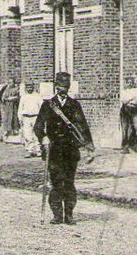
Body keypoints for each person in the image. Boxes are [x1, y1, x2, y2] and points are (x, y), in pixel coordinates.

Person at [33, 72, 93, 224]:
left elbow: (82, 126)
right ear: (56, 86)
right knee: (56, 182)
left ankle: (69, 214)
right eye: (60, 86)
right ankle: (57, 215)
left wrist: (89, 147)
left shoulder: (74, 105)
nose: (63, 89)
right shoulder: (48, 105)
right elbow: (38, 126)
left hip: (70, 150)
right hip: (53, 150)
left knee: (69, 182)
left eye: (66, 86)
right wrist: (43, 137)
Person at [19, 80, 45, 156]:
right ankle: (30, 150)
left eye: (30, 87)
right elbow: (20, 108)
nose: (29, 88)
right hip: (26, 117)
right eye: (27, 87)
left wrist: (41, 118)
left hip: (35, 116)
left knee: (36, 134)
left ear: (33, 87)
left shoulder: (37, 96)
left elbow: (42, 107)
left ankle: (38, 150)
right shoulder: (23, 97)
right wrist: (20, 118)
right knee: (27, 135)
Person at [119, 80, 137, 152]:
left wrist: (129, 101)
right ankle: (124, 147)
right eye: (128, 82)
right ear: (125, 83)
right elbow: (123, 100)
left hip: (134, 110)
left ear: (133, 83)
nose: (129, 84)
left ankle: (135, 145)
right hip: (124, 110)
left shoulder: (136, 91)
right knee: (125, 129)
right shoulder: (123, 91)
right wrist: (132, 98)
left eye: (131, 82)